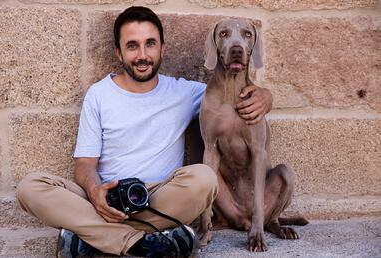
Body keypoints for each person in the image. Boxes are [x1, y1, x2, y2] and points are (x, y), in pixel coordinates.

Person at [16, 6, 273, 258]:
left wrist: (266, 96)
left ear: (162, 48)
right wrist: (95, 193)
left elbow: (228, 100)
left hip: (160, 197)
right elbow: (84, 165)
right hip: (108, 197)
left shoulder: (186, 93)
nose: (142, 54)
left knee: (204, 178)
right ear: (118, 52)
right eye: (132, 46)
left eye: (150, 44)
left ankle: (91, 236)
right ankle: (143, 242)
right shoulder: (99, 95)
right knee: (30, 187)